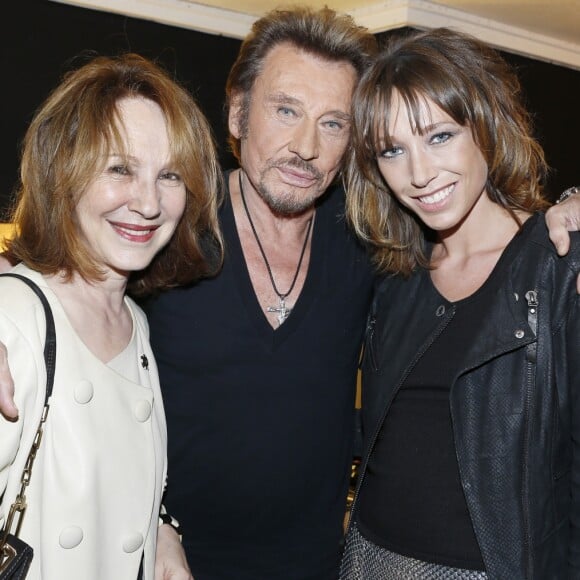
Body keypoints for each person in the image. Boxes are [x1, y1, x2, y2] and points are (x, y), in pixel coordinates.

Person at [0, 7, 579, 580]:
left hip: (328, 565)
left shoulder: (374, 245)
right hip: (166, 563)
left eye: (333, 123)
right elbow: (58, 260)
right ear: (237, 115)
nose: (306, 146)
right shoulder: (170, 228)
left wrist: (565, 211)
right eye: (285, 110)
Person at [339, 27, 579, 579]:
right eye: (393, 150)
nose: (419, 174)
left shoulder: (561, 268)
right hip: (367, 559)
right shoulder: (393, 274)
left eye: (440, 136)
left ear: (486, 127)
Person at [0, 52, 222, 580]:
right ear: (63, 175)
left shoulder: (134, 323)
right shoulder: (15, 321)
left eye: (169, 174)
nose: (148, 203)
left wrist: (161, 531)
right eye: (119, 168)